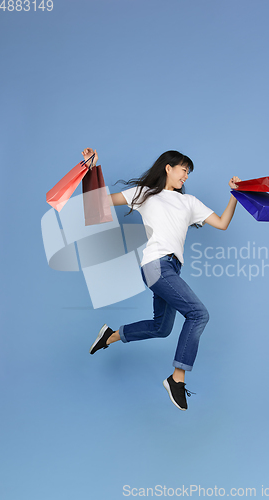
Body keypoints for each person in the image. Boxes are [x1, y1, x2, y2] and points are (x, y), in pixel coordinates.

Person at [83, 147, 241, 411]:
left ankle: (110, 336)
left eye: (188, 172)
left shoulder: (189, 203)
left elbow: (223, 222)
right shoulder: (146, 194)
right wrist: (91, 169)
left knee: (162, 328)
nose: (186, 176)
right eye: (183, 170)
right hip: (156, 265)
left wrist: (235, 195)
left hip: (172, 269)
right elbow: (97, 203)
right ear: (168, 167)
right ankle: (176, 379)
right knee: (199, 314)